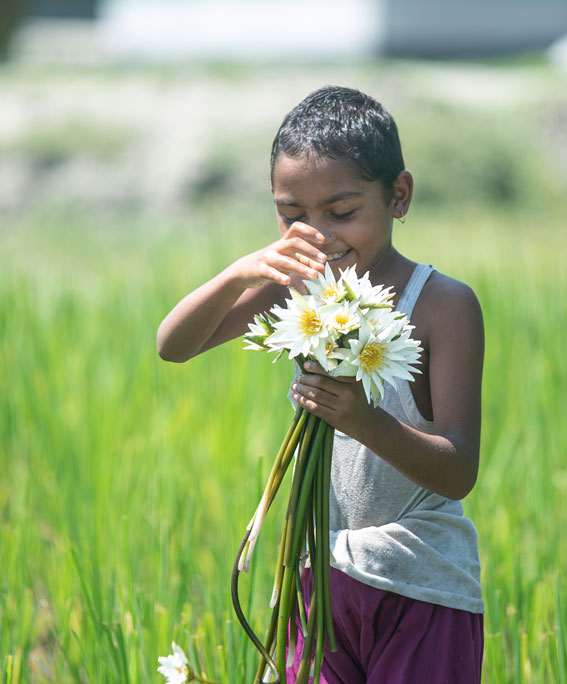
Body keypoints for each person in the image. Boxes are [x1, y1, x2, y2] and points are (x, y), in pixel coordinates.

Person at [157, 85, 485, 683]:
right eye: (292, 214)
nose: (319, 235)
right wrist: (241, 272)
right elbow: (173, 345)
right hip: (323, 575)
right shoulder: (297, 287)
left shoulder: (443, 305)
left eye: (342, 212)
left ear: (399, 196)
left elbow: (459, 469)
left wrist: (365, 421)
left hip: (421, 581)